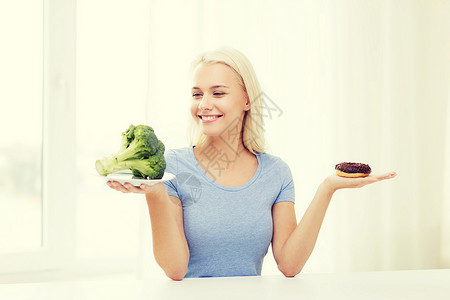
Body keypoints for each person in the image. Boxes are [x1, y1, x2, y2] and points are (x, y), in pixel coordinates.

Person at [107, 47, 397, 281]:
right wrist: (155, 193)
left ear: (246, 99)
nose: (204, 104)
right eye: (197, 94)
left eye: (217, 93)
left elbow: (289, 264)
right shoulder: (173, 166)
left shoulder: (276, 172)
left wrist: (327, 188)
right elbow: (175, 269)